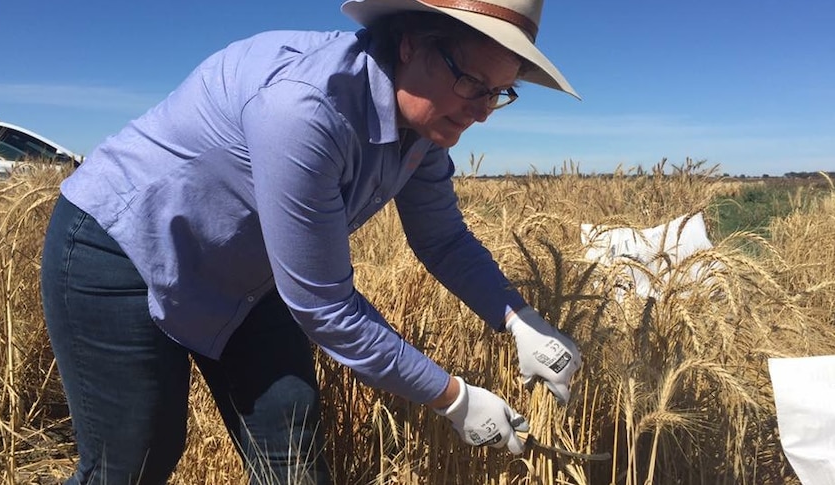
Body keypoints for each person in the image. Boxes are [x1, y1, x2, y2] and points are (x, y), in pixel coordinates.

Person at [39, 0, 583, 483]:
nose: (483, 110)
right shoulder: (305, 110)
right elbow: (324, 305)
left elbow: (443, 241)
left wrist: (520, 320)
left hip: (249, 279)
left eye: (498, 92)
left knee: (292, 450)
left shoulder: (424, 129)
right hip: (121, 249)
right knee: (134, 459)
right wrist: (455, 399)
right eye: (471, 82)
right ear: (412, 43)